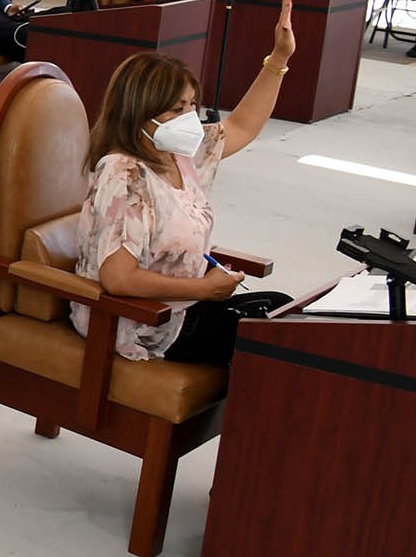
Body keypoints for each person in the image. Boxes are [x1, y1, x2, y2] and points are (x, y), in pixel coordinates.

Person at [71, 20, 297, 365]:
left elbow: (242, 125)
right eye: (177, 109)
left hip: (181, 307)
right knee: (277, 346)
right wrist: (204, 289)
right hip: (140, 321)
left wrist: (279, 58)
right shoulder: (123, 174)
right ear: (139, 112)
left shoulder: (177, 153)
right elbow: (117, 278)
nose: (190, 117)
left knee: (284, 311)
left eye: (192, 104)